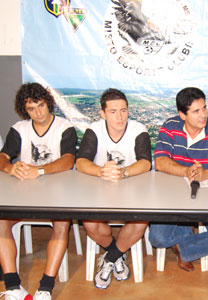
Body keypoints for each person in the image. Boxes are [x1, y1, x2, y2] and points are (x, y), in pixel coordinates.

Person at [0, 83, 77, 300]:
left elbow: (68, 161)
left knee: (62, 224)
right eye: (31, 109)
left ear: (48, 103)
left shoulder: (64, 127)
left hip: (57, 194)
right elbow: (3, 156)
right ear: (25, 110)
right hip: (24, 194)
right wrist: (9, 167)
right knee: (1, 222)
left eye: (41, 105)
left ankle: (46, 287)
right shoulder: (20, 129)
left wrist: (40, 170)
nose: (38, 112)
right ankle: (13, 286)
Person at [149, 87, 208, 271]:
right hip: (173, 194)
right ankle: (187, 233)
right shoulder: (170, 127)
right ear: (182, 114)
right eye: (196, 111)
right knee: (157, 238)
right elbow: (160, 162)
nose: (203, 115)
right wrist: (185, 171)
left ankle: (185, 249)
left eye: (204, 108)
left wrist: (207, 173)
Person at [76, 88, 151, 289]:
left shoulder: (138, 129)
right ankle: (117, 253)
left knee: (141, 221)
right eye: (113, 111)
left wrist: (123, 172)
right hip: (102, 189)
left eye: (124, 110)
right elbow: (81, 162)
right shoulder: (95, 129)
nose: (120, 116)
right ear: (103, 114)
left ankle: (110, 259)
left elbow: (145, 163)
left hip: (132, 189)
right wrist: (101, 171)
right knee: (90, 224)